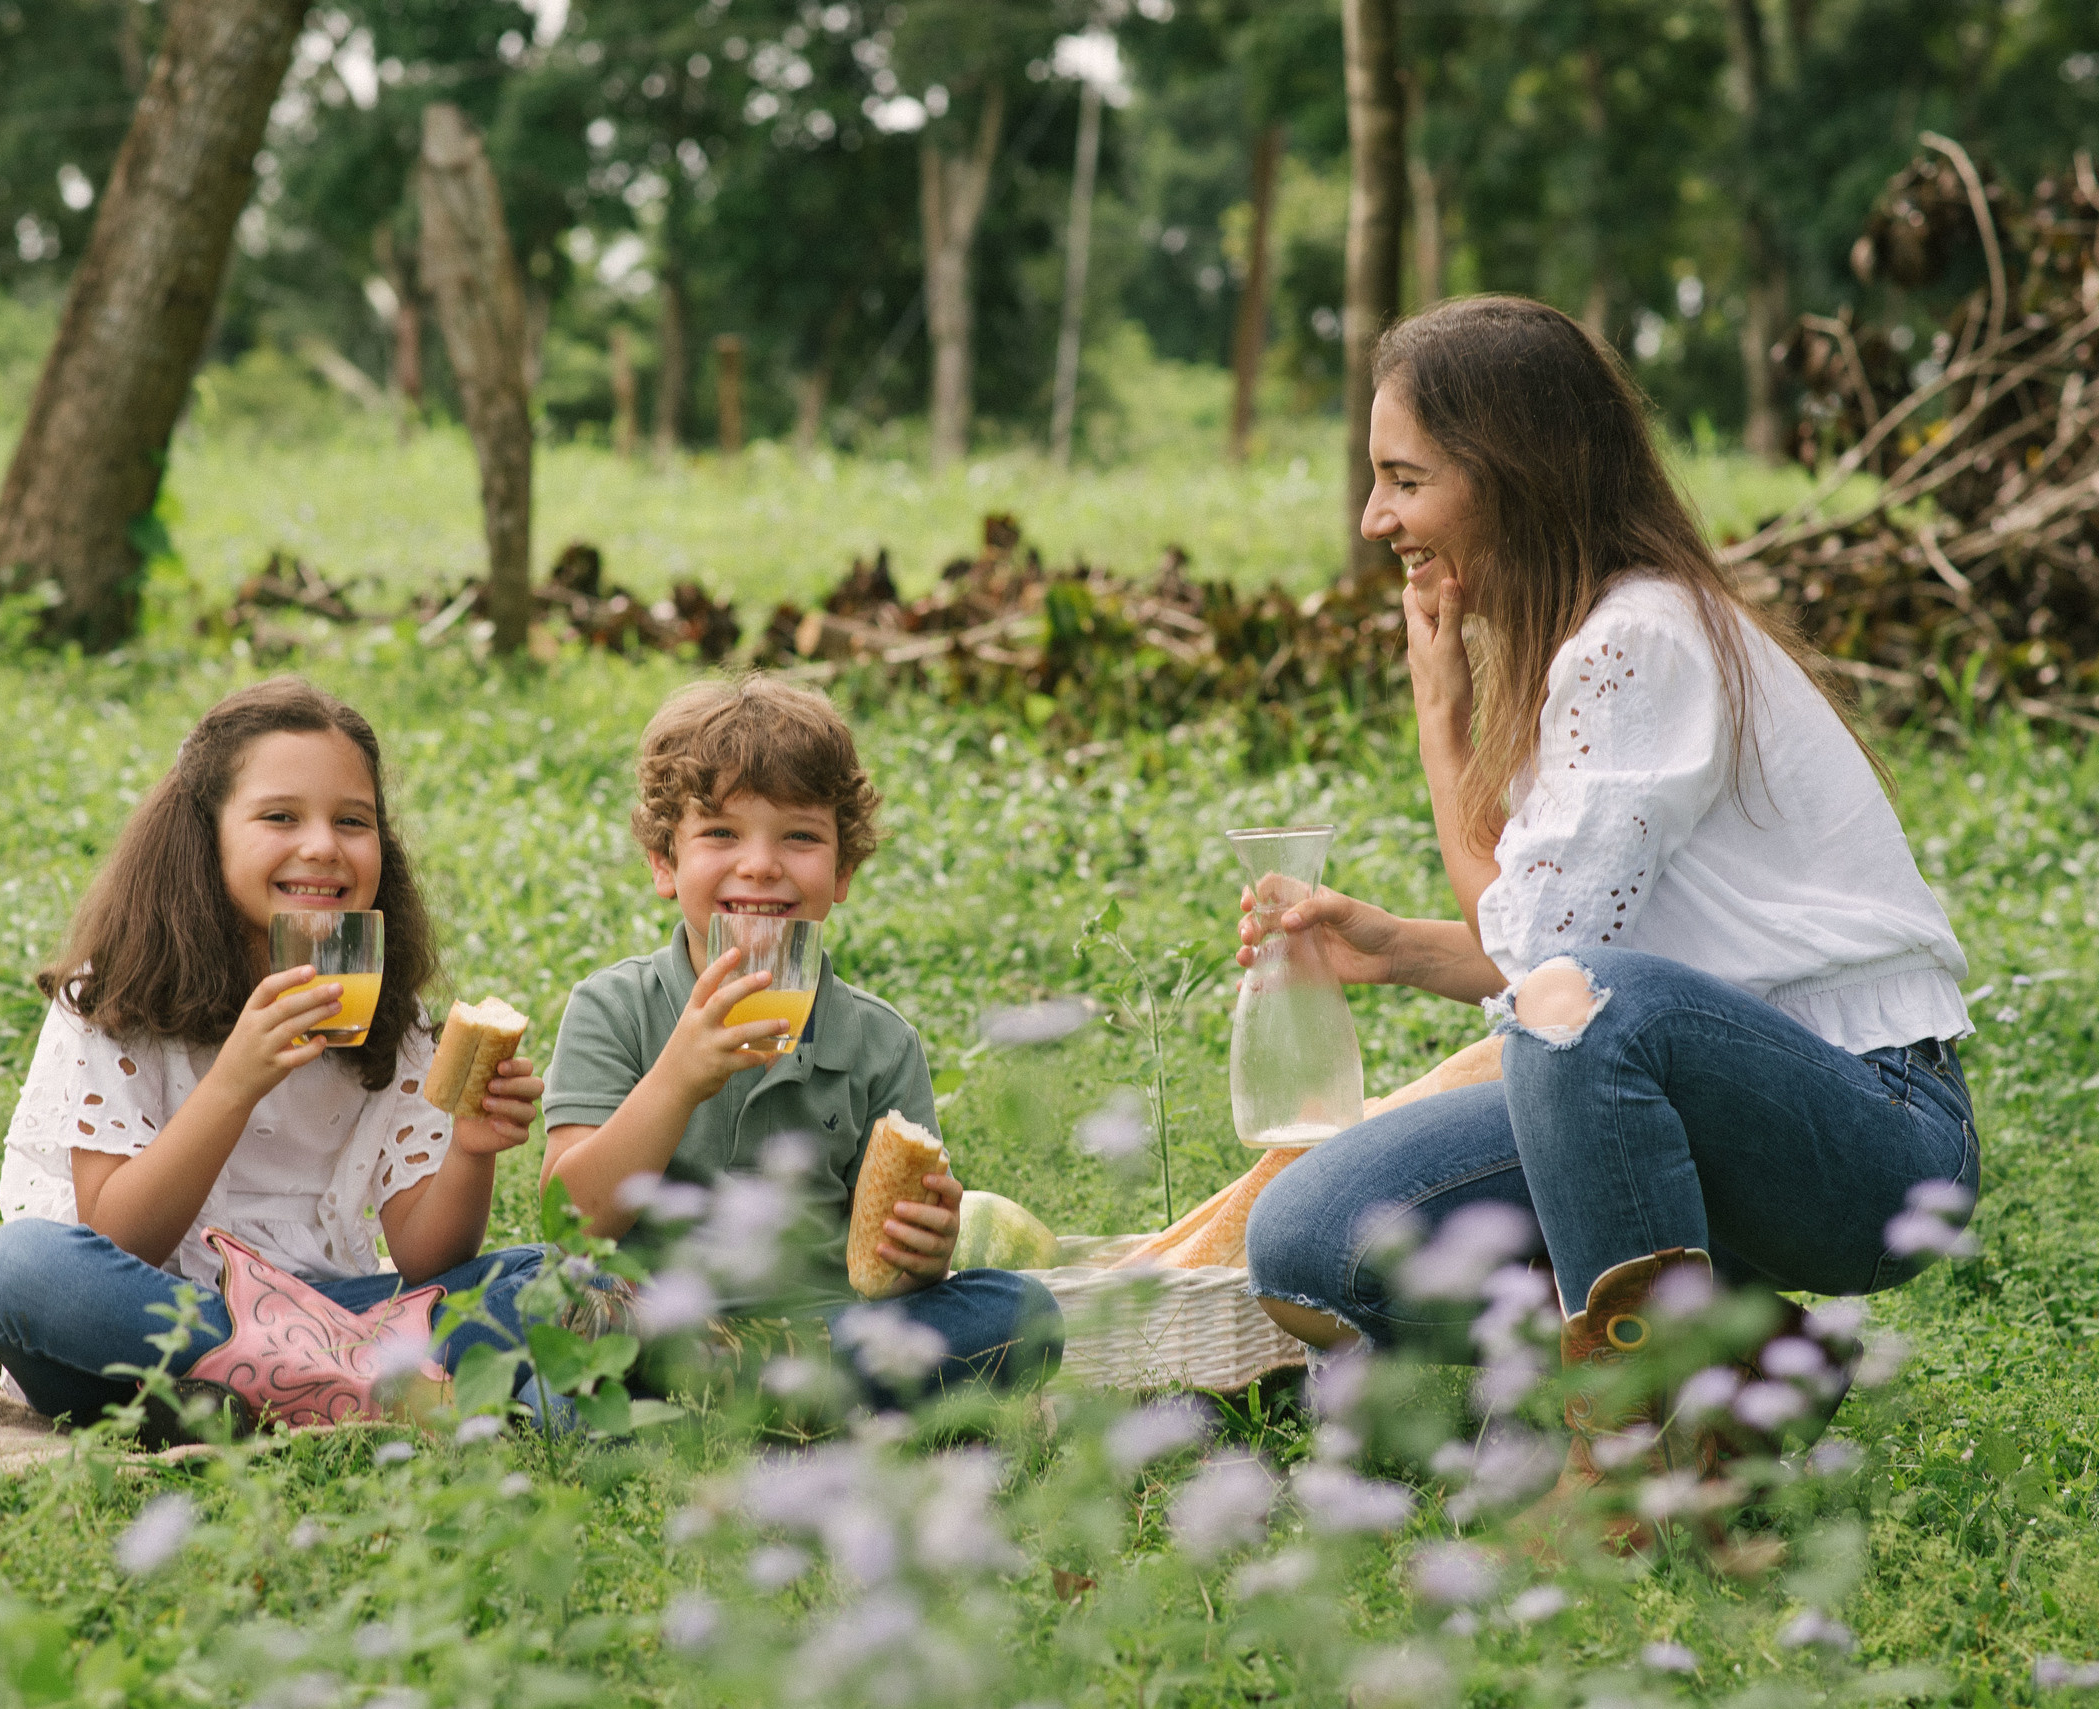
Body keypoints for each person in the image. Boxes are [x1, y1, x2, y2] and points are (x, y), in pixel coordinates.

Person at [1240, 296, 1979, 1516]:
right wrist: (1394, 946)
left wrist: (1441, 720)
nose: (1376, 519)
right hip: (1703, 1082)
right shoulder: (1588, 642)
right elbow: (1564, 964)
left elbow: (1560, 973)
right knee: (1311, 1233)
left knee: (1586, 1003)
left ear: (1507, 474)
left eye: (1402, 479)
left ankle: (1630, 1457)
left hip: (1879, 1135)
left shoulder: (1639, 640)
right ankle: (1743, 1360)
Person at [0, 678, 551, 1435]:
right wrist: (233, 1084)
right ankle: (366, 1385)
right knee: (18, 1269)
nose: (322, 845)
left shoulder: (388, 1015)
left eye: (353, 820)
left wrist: (471, 1151)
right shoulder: (115, 999)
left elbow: (427, 1254)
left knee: (553, 1278)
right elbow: (118, 1237)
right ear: (204, 836)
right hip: (149, 1325)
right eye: (280, 816)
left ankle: (290, 1392)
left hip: (328, 1309)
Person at [538, 675, 1060, 1407]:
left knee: (1019, 1311)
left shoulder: (880, 1042)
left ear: (843, 868)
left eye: (800, 836)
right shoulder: (613, 1008)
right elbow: (569, 1219)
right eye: (721, 833)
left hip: (825, 1325)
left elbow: (890, 1278)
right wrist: (676, 1079)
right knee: (559, 1287)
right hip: (652, 1311)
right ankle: (798, 1401)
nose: (761, 864)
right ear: (665, 862)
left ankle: (723, 1391)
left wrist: (926, 1253)